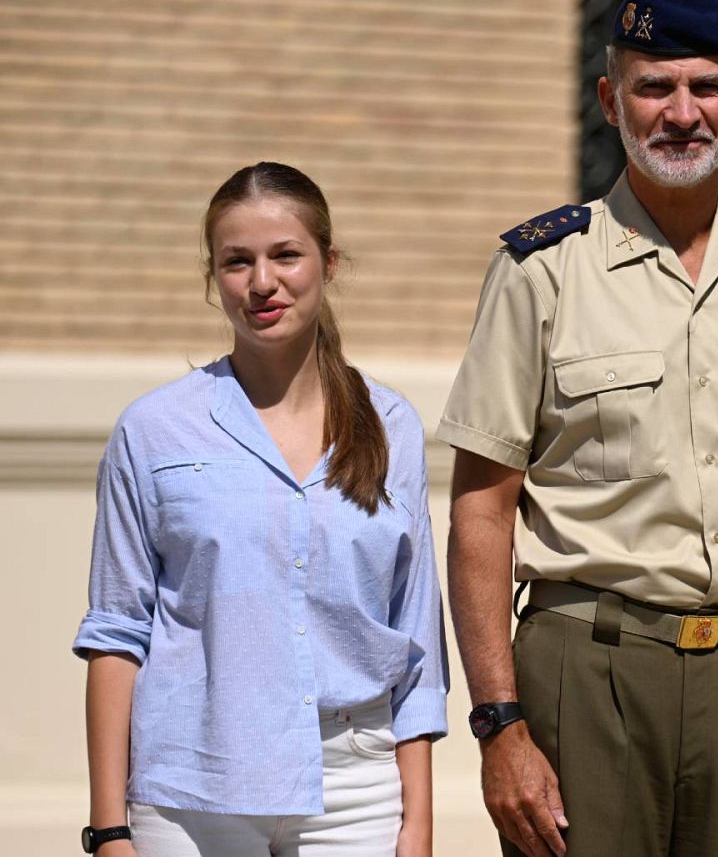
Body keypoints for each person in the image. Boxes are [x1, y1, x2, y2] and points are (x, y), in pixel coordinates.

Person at [438, 0, 718, 857]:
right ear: (610, 100)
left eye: (706, 85)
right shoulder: (543, 269)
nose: (682, 112)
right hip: (587, 672)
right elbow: (482, 506)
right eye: (654, 86)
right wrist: (499, 725)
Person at [73, 162, 449, 857]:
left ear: (328, 264)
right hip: (191, 791)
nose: (262, 282)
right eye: (236, 262)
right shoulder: (153, 431)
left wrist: (417, 824)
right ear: (214, 277)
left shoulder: (392, 426)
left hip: (357, 791)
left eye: (286, 255)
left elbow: (416, 635)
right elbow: (116, 632)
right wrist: (109, 831)